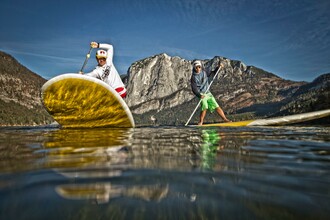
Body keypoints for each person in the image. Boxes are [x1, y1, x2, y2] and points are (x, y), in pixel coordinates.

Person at [190, 60, 231, 125]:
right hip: (201, 94)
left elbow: (213, 72)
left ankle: (225, 119)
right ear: (194, 68)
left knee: (216, 106)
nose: (198, 69)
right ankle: (201, 122)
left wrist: (218, 67)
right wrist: (199, 95)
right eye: (196, 67)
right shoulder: (193, 77)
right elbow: (194, 89)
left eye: (199, 67)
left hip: (208, 93)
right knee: (205, 107)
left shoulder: (204, 72)